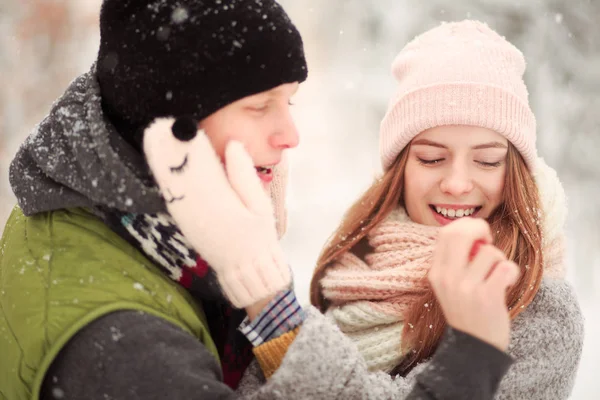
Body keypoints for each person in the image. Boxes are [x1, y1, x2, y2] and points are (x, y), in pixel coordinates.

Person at [0, 0, 554, 397]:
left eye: (291, 102)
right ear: (173, 123)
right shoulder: (126, 346)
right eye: (260, 106)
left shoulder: (151, 238)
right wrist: (475, 355)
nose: (291, 135)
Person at [303, 20, 584, 399]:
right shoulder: (354, 267)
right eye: (432, 158)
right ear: (400, 169)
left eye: (486, 161)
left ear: (515, 171)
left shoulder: (541, 309)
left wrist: (269, 308)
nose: (456, 183)